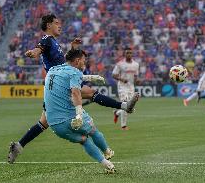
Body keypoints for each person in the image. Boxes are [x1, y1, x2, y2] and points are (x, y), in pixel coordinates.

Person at [8, 14, 139, 163]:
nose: (60, 26)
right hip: (59, 82)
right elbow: (39, 49)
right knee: (90, 92)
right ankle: (124, 106)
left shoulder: (54, 42)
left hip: (58, 81)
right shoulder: (47, 39)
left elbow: (63, 62)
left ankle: (18, 145)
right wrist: (34, 53)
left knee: (44, 122)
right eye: (57, 23)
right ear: (49, 25)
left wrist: (72, 49)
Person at [44, 49, 116, 173]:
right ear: (77, 61)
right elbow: (76, 93)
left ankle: (107, 164)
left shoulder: (53, 70)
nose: (85, 63)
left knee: (83, 140)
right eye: (84, 60)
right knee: (93, 131)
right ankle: (107, 151)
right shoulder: (74, 72)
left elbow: (72, 76)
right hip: (70, 117)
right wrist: (79, 115)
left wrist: (92, 78)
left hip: (54, 124)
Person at [112, 47, 140, 130]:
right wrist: (121, 79)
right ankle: (123, 126)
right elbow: (114, 74)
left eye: (130, 53)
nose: (129, 54)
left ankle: (117, 112)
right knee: (125, 104)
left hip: (131, 87)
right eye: (127, 53)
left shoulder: (136, 64)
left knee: (130, 109)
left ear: (132, 54)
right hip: (122, 87)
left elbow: (135, 76)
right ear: (125, 54)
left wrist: (137, 81)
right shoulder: (120, 64)